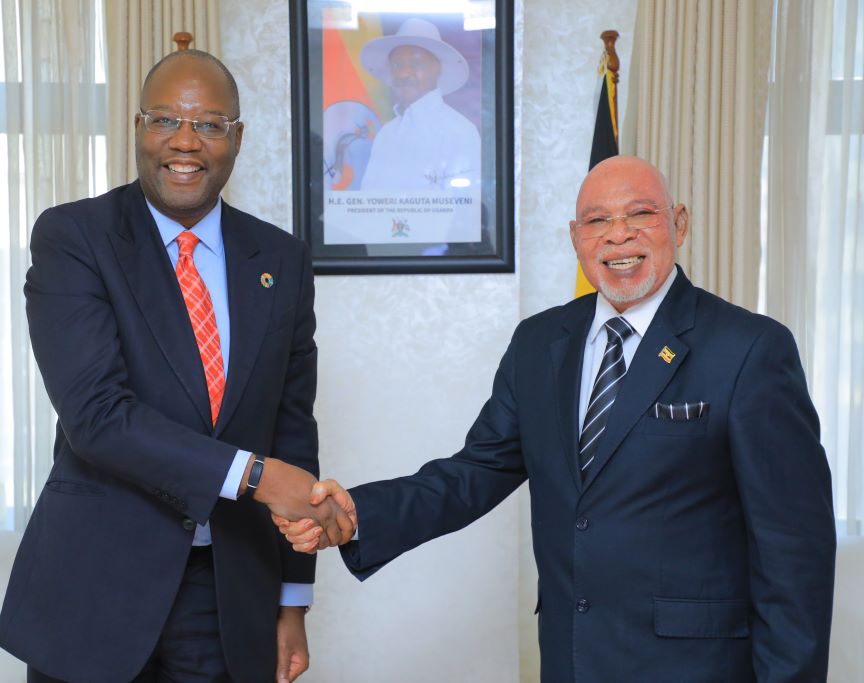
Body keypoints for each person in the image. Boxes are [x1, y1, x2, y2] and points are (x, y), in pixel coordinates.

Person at [278, 156, 837, 681]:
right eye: (598, 221)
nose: (619, 235)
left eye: (641, 214)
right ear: (577, 239)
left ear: (679, 223)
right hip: (571, 657)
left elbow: (794, 550)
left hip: (695, 666)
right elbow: (476, 471)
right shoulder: (540, 343)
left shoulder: (750, 349)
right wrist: (360, 512)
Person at [0, 50, 352, 683]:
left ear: (236, 139)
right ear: (138, 129)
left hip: (228, 593)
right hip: (94, 594)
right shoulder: (76, 237)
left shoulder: (281, 259)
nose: (184, 141)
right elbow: (98, 418)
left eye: (210, 124)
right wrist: (257, 478)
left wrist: (293, 602)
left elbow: (293, 429)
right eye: (165, 120)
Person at [358, 17, 481, 191]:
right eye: (397, 64)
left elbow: (465, 207)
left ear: (437, 69)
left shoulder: (460, 131)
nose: (403, 73)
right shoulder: (386, 134)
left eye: (416, 63)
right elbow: (368, 201)